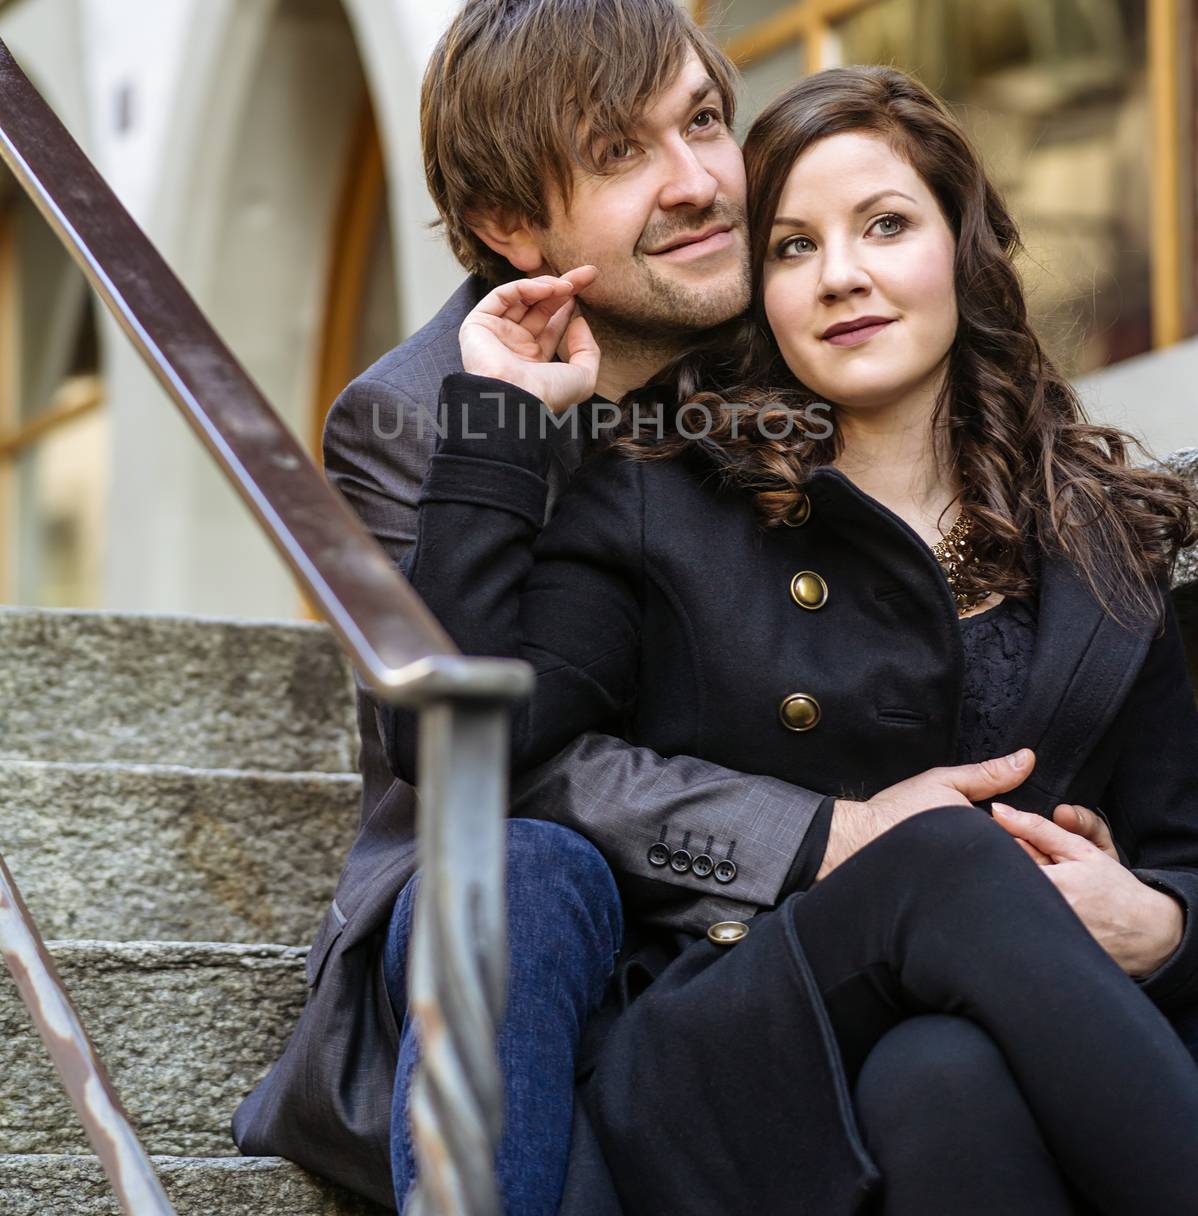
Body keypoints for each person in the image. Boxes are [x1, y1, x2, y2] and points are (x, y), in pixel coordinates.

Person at [237, 0, 1060, 1212]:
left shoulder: (791, 329)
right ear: (513, 224)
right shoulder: (409, 414)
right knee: (521, 864)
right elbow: (482, 752)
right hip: (522, 930)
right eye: (621, 152)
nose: (696, 181)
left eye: (702, 121)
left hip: (779, 948)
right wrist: (824, 834)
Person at [392, 64, 1198, 1215]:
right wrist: (497, 422)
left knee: (944, 1077)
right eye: (790, 247)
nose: (843, 277)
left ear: (960, 252)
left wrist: (1162, 924)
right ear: (756, 293)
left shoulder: (1103, 544)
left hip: (965, 1066)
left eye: (884, 225)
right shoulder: (660, 492)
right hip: (725, 1037)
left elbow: (1181, 846)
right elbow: (469, 747)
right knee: (945, 854)